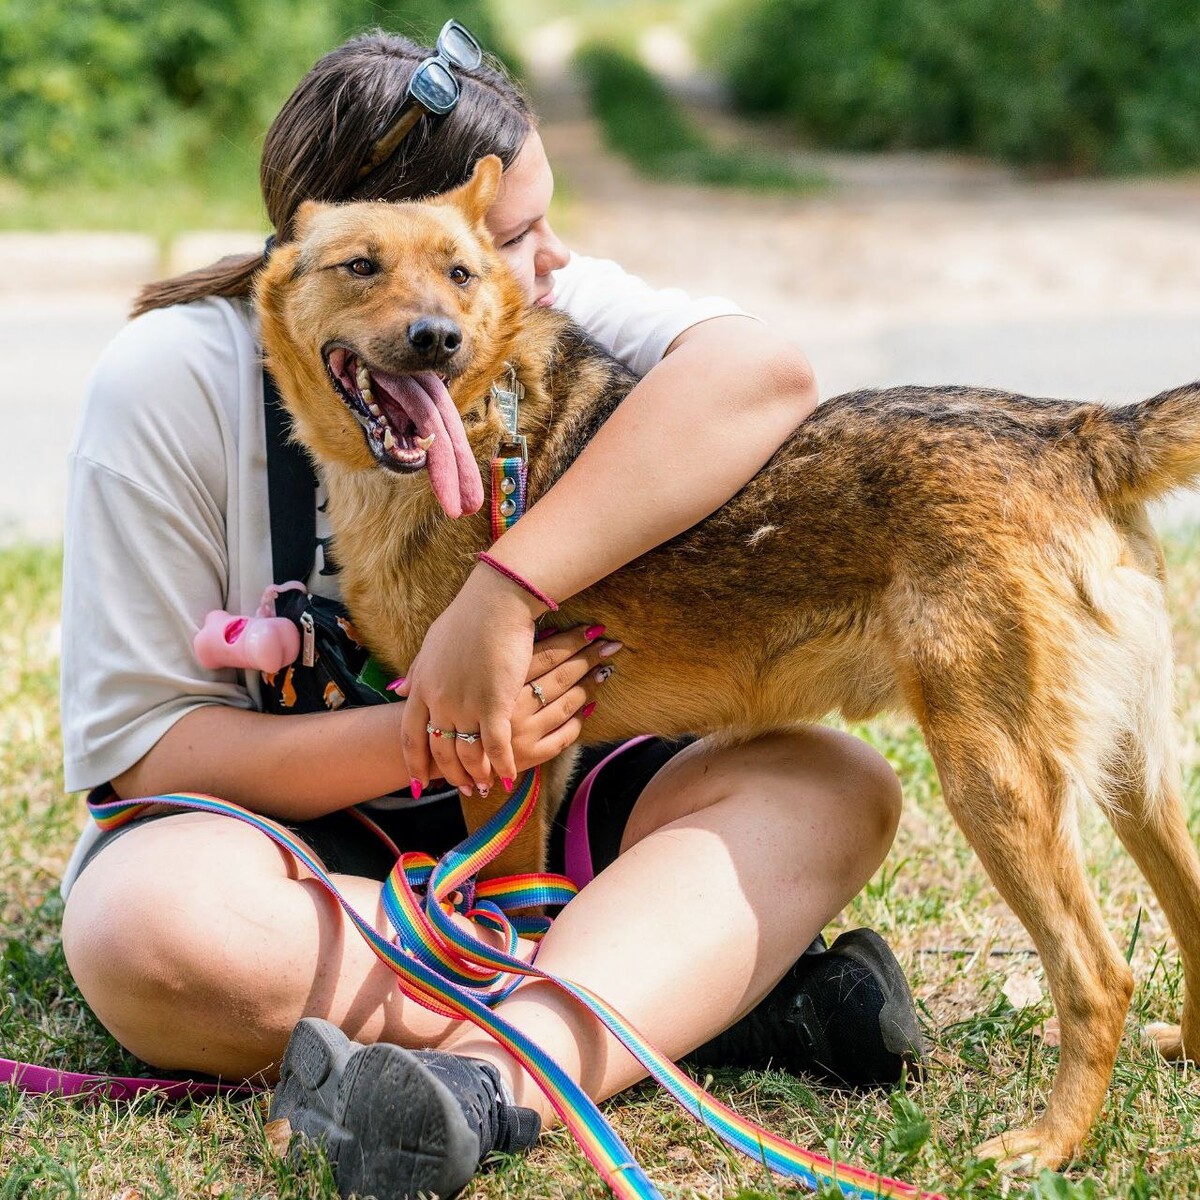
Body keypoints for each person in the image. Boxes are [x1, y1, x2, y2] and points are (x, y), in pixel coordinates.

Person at [56, 22, 923, 1200]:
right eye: (521, 234)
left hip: (561, 809)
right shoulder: (170, 382)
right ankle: (677, 998)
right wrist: (441, 728)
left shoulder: (506, 289)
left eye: (512, 238)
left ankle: (489, 1077)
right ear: (350, 252)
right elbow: (148, 753)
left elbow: (761, 377)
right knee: (148, 937)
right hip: (300, 853)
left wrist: (503, 593)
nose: (552, 262)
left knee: (833, 786)